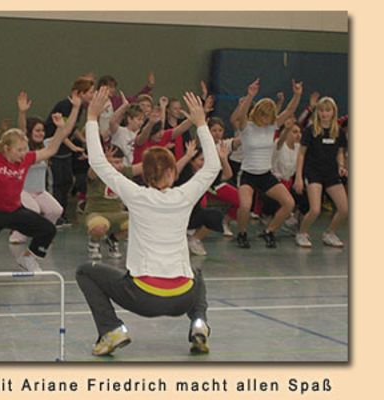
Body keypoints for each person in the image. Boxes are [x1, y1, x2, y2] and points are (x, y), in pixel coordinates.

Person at [76, 87, 221, 356]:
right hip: (182, 298)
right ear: (172, 172)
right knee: (196, 275)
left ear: (146, 175)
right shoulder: (185, 195)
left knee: (85, 271)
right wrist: (201, 123)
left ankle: (111, 330)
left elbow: (98, 162)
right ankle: (199, 323)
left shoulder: (136, 195)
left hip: (143, 299)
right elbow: (213, 167)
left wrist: (92, 118)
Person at [0, 104, 79, 273]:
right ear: (7, 149)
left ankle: (28, 258)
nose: (24, 153)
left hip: (16, 210)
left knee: (48, 230)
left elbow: (52, 149)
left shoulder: (26, 159)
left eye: (25, 149)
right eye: (19, 150)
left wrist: (60, 129)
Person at [234, 78, 301, 249]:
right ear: (257, 113)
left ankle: (270, 231)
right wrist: (250, 95)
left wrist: (297, 94)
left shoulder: (272, 127)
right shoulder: (246, 127)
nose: (265, 118)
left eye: (269, 115)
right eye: (263, 114)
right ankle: (242, 233)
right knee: (245, 206)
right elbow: (241, 115)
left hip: (265, 174)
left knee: (289, 203)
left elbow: (289, 110)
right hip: (248, 174)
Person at [8, 91, 69, 244]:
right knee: (33, 210)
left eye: (42, 130)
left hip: (39, 191)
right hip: (22, 191)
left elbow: (61, 137)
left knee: (56, 210)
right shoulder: (24, 147)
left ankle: (42, 234)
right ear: (29, 131)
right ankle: (17, 234)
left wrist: (61, 126)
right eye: (37, 130)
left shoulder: (46, 146)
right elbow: (21, 130)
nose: (41, 133)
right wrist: (22, 112)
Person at [294, 97, 348, 248]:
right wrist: (299, 177)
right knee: (315, 209)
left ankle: (329, 233)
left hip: (331, 173)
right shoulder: (310, 131)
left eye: (328, 110)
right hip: (314, 173)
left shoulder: (338, 132)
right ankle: (302, 233)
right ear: (318, 112)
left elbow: (340, 152)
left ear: (333, 112)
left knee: (344, 209)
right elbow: (301, 154)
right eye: (322, 110)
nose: (325, 114)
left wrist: (341, 166)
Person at [44, 76, 94, 227]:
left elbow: (73, 128)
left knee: (66, 182)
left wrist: (83, 140)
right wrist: (73, 147)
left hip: (64, 150)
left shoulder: (79, 108)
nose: (92, 95)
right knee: (57, 183)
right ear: (79, 93)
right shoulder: (65, 106)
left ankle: (62, 215)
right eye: (90, 92)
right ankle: (53, 216)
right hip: (54, 148)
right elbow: (62, 131)